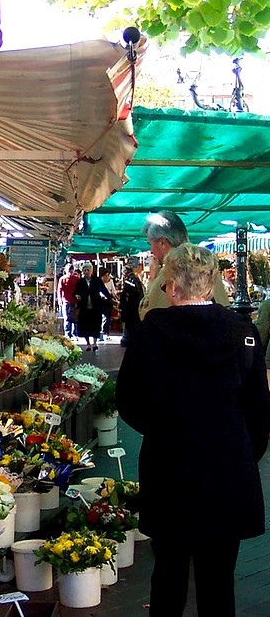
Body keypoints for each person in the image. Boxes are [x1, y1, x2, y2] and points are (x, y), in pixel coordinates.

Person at [116, 244, 270, 617]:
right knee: (219, 581)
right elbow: (259, 410)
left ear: (171, 285)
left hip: (169, 469)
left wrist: (163, 431)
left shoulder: (150, 334)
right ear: (212, 282)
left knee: (168, 575)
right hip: (228, 470)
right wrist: (243, 452)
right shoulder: (242, 332)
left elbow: (129, 400)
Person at [138, 210, 229, 319]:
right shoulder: (207, 268)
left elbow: (146, 314)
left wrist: (152, 279)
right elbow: (224, 307)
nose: (151, 250)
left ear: (162, 242)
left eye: (150, 244)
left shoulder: (167, 275)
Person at [73, 262, 111, 351]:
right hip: (84, 307)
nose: (86, 272)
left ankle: (94, 343)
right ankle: (88, 344)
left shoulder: (97, 280)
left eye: (88, 270)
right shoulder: (80, 281)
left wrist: (110, 298)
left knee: (96, 325)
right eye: (85, 270)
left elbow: (104, 290)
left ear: (91, 271)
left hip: (96, 307)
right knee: (85, 325)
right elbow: (75, 292)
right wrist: (76, 295)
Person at [119, 264, 144, 347]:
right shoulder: (135, 279)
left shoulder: (130, 280)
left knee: (130, 324)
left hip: (131, 307)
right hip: (135, 306)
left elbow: (130, 293)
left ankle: (128, 339)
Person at [57, 264, 80, 338]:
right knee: (67, 318)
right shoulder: (63, 279)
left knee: (75, 318)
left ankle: (74, 333)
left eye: (71, 269)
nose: (70, 271)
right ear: (66, 270)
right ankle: (68, 334)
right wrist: (60, 299)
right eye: (69, 269)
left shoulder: (76, 279)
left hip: (74, 301)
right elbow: (59, 290)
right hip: (66, 301)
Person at [98, 266, 118, 340]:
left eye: (108, 275)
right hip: (100, 301)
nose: (107, 277)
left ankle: (106, 332)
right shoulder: (98, 282)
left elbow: (113, 291)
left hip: (108, 302)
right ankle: (100, 332)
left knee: (108, 318)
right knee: (101, 317)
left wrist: (115, 297)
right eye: (105, 275)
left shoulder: (111, 281)